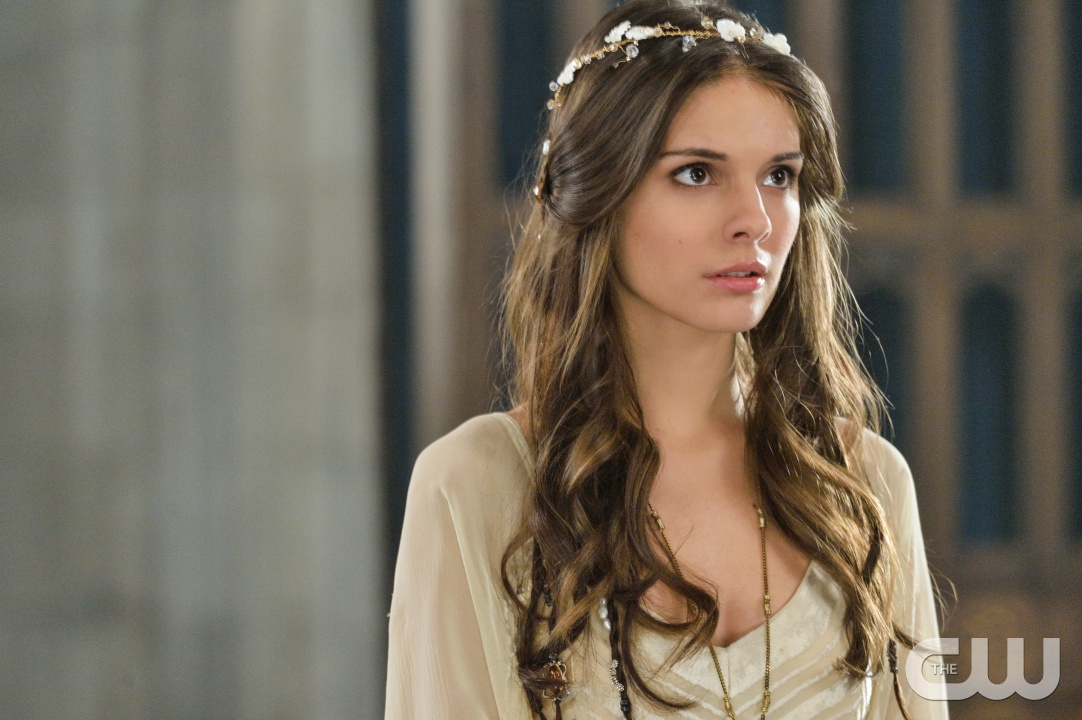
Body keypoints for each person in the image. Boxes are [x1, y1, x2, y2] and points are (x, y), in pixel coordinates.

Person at [386, 1, 948, 718]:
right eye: (697, 174)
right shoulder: (476, 487)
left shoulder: (863, 484)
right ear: (600, 193)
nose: (754, 219)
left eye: (779, 176)